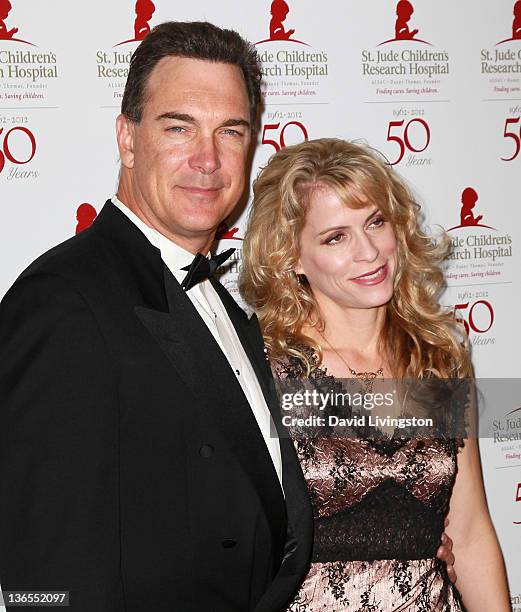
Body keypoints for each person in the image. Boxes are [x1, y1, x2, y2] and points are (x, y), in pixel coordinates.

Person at [0, 22, 314, 612]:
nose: (208, 159)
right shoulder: (63, 303)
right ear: (126, 137)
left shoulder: (233, 302)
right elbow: (43, 584)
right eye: (179, 128)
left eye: (230, 131)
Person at [240, 138, 511, 611]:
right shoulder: (264, 367)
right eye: (335, 237)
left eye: (375, 222)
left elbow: (468, 535)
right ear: (292, 258)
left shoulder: (434, 359)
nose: (369, 252)